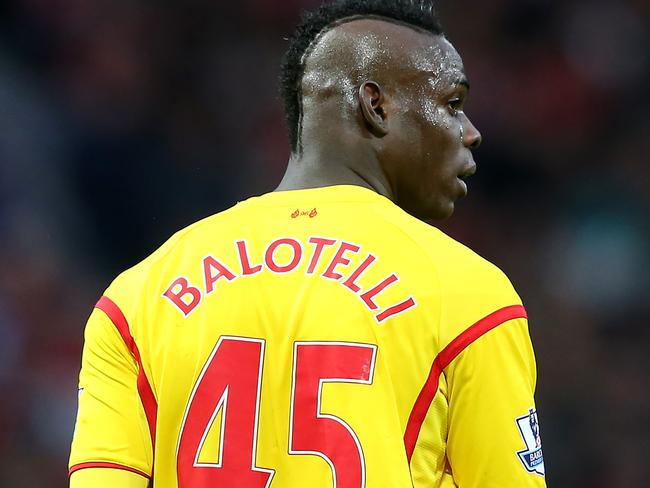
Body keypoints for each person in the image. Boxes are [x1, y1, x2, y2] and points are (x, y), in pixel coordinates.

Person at [69, 1, 546, 487]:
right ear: (376, 106)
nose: (472, 132)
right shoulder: (470, 295)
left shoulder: (137, 298)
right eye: (453, 104)